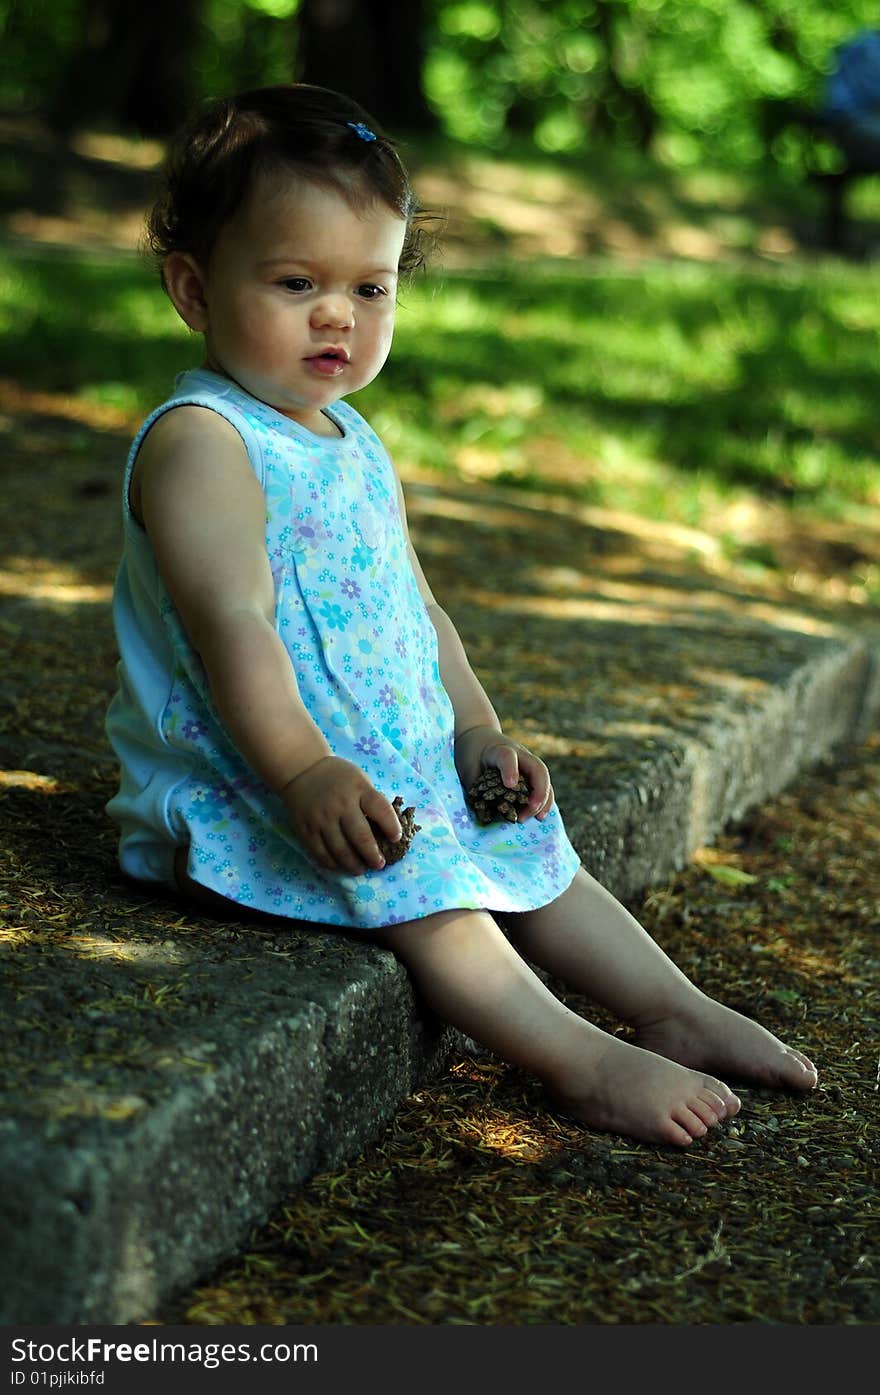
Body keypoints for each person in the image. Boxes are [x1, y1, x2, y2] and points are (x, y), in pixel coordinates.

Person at [105, 84, 818, 1148]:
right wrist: (304, 772)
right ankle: (574, 1058)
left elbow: (416, 607)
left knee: (526, 841)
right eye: (296, 282)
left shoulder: (349, 436)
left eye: (370, 287)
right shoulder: (204, 442)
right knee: (430, 885)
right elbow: (234, 625)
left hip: (374, 761)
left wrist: (474, 730)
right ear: (193, 288)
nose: (338, 315)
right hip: (249, 788)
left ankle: (673, 1007)